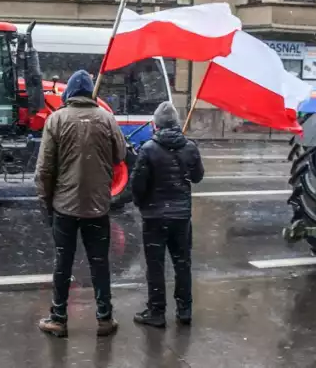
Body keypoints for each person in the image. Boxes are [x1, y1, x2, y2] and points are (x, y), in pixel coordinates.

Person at [34, 69, 127, 338]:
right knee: (99, 263)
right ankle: (105, 318)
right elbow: (120, 155)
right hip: (97, 207)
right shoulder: (107, 119)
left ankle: (59, 319)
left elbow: (44, 170)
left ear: (70, 93)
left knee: (63, 262)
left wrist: (46, 204)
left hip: (65, 207)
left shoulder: (56, 120)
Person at [130, 101, 204, 328]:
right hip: (181, 217)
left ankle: (156, 311)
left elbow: (137, 185)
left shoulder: (148, 149)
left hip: (154, 217)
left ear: (156, 125)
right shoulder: (189, 146)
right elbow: (198, 176)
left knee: (155, 265)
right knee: (182, 264)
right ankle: (184, 310)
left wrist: (142, 205)